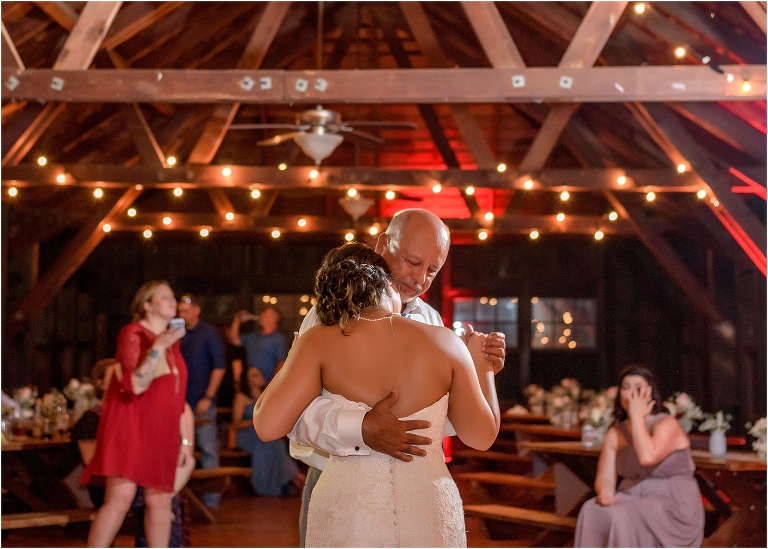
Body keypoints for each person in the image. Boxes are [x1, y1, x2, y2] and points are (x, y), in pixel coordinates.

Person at [254, 246, 500, 546]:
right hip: (427, 507)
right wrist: (483, 368)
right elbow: (481, 437)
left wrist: (295, 356)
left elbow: (266, 426)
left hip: (349, 511)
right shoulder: (447, 342)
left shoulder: (318, 341)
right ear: (388, 284)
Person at [81, 281, 193, 548]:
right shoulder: (133, 334)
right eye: (164, 297)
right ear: (146, 305)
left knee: (160, 500)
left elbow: (179, 399)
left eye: (173, 297)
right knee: (120, 498)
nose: (172, 302)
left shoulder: (173, 343)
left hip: (161, 430)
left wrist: (186, 441)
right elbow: (136, 384)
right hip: (131, 424)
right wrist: (158, 346)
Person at [574, 364, 705, 547]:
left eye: (638, 388)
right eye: (626, 388)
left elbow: (647, 457)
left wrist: (636, 418)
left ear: (650, 392)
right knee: (591, 509)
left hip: (670, 504)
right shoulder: (615, 433)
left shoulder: (666, 424)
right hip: (632, 495)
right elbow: (605, 476)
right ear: (620, 395)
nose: (632, 394)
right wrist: (605, 492)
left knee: (619, 516)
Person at [71, 358, 190, 547]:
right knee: (132, 498)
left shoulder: (147, 409)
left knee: (162, 498)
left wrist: (184, 444)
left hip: (136, 476)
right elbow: (93, 461)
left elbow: (182, 409)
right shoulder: (97, 416)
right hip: (107, 479)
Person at [177, 293, 227, 510]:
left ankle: (211, 501)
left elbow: (219, 367)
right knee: (178, 448)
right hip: (178, 402)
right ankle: (177, 497)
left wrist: (208, 396)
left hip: (200, 401)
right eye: (180, 310)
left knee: (207, 448)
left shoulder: (208, 333)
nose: (182, 314)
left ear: (197, 310)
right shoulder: (176, 333)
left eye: (186, 311)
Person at [228, 366, 304, 496]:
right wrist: (255, 420)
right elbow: (236, 424)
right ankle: (297, 478)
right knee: (268, 443)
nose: (260, 377)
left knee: (277, 444)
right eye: (254, 375)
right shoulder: (242, 397)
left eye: (259, 374)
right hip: (248, 435)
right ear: (248, 380)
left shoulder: (267, 396)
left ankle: (293, 479)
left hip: (264, 434)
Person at [228, 305, 287, 384]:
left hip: (266, 384)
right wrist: (237, 320)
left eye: (265, 313)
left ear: (274, 318)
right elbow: (234, 340)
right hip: (250, 383)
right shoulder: (253, 336)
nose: (261, 315)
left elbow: (281, 363)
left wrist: (273, 384)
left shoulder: (278, 339)